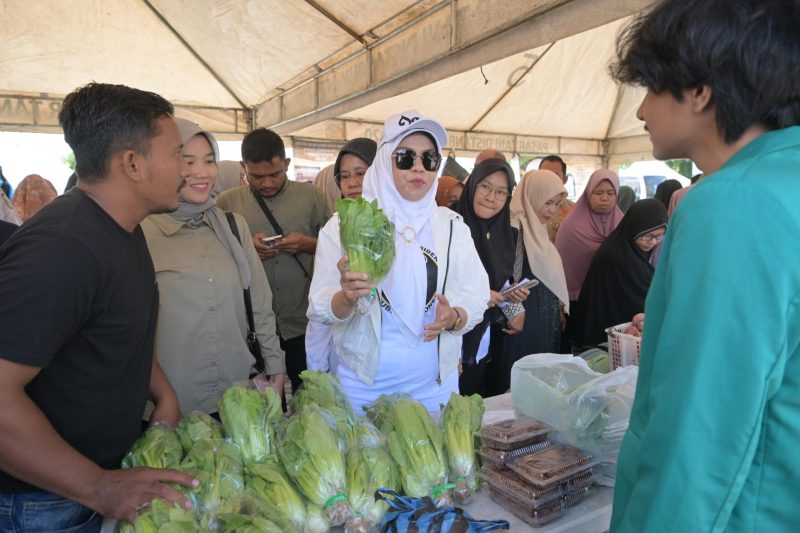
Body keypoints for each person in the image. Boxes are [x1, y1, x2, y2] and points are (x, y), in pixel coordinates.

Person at [608, 1, 800, 531]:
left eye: (650, 86)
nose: (642, 111)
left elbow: (702, 435)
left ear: (699, 90)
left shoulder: (733, 203)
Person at [0, 83, 197, 531]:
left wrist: (162, 393)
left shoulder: (125, 228)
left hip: (97, 482)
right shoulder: (62, 249)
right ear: (131, 163)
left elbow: (117, 330)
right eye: (176, 154)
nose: (187, 168)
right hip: (47, 504)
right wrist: (100, 487)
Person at [307, 109, 489, 412]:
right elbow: (320, 306)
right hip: (364, 388)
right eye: (405, 158)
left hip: (433, 388)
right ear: (384, 160)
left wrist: (454, 317)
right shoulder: (345, 225)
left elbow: (477, 296)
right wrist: (346, 298)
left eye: (429, 159)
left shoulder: (452, 225)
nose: (419, 168)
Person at [141, 118, 286, 416]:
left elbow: (259, 305)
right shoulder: (140, 233)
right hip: (169, 404)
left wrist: (276, 366)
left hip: (237, 396)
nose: (202, 172)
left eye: (209, 160)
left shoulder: (234, 227)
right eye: (188, 160)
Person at [216, 128, 332, 395]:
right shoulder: (227, 202)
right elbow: (214, 259)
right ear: (244, 167)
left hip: (301, 320)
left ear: (287, 165)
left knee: (309, 395)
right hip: (252, 326)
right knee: (262, 399)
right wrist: (247, 251)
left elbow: (337, 249)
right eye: (257, 176)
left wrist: (308, 244)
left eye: (275, 174)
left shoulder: (312, 197)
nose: (267, 183)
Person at [452, 159, 529, 397]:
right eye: (484, 186)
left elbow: (505, 282)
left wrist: (514, 301)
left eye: (501, 192)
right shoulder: (446, 224)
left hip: (479, 339)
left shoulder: (509, 235)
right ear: (472, 184)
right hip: (443, 337)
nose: (491, 197)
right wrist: (478, 296)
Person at [492, 170, 571, 395]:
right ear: (531, 197)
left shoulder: (539, 230)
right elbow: (500, 277)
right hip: (520, 319)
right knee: (515, 386)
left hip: (542, 321)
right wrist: (513, 310)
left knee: (541, 387)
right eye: (547, 202)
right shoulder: (512, 228)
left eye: (557, 204)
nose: (552, 210)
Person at [306, 138, 377, 373]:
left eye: (360, 173)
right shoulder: (335, 229)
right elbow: (320, 306)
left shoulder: (401, 221)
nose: (352, 182)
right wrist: (316, 366)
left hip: (400, 361)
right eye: (344, 176)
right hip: (351, 358)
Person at [570, 199, 667, 348]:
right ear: (634, 228)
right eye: (647, 235)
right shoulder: (621, 258)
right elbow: (642, 297)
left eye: (659, 236)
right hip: (608, 337)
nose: (652, 242)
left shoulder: (626, 247)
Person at [555, 169, 623, 305]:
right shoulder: (571, 226)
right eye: (598, 193)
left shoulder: (623, 223)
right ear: (588, 194)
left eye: (611, 193)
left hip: (613, 296)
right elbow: (561, 268)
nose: (604, 198)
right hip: (578, 300)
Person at [539, 155, 575, 242]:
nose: (549, 180)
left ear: (565, 180)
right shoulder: (524, 206)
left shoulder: (573, 210)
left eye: (555, 176)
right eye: (544, 174)